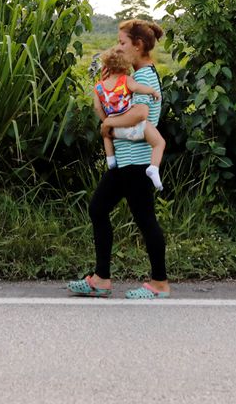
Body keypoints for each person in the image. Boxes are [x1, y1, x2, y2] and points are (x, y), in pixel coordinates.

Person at [68, 19, 170, 299]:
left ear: (138, 45)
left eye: (123, 43)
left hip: (137, 162)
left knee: (145, 219)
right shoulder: (133, 75)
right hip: (124, 162)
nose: (119, 47)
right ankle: (101, 278)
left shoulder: (146, 76)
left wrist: (109, 124)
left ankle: (159, 283)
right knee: (98, 208)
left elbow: (140, 115)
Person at [93, 45, 166, 190]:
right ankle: (154, 168)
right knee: (159, 143)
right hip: (132, 126)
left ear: (107, 66)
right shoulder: (126, 80)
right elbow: (139, 89)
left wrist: (107, 120)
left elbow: (97, 107)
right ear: (125, 66)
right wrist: (152, 91)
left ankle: (110, 160)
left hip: (115, 128)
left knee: (106, 135)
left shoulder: (99, 86)